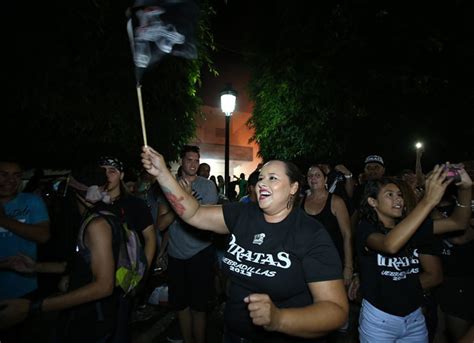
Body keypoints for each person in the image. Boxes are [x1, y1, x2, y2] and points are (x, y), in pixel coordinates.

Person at [141, 146, 348, 342]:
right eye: (260, 178)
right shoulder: (242, 214)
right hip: (232, 335)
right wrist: (162, 173)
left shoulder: (310, 233)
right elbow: (194, 213)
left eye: (272, 178)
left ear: (293, 187)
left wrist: (279, 319)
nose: (261, 184)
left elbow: (335, 310)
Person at [0, 164, 120, 342]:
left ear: (72, 190)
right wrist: (35, 267)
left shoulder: (97, 225)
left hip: (92, 316)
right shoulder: (91, 218)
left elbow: (104, 286)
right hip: (86, 312)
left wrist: (34, 307)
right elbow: (76, 265)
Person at [356, 164, 472, 342]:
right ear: (373, 202)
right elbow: (390, 244)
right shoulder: (366, 229)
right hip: (380, 320)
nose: (399, 199)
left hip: (414, 318)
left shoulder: (414, 228)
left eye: (400, 195)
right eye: (390, 194)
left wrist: (466, 188)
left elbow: (459, 223)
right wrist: (428, 200)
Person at [164, 145, 219, 343]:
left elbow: (207, 218)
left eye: (196, 160)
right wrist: (178, 201)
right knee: (181, 305)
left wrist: (185, 199)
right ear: (182, 161)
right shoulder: (170, 186)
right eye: (189, 160)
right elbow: (161, 223)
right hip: (176, 254)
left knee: (199, 306)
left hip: (200, 251)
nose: (193, 164)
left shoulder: (208, 186)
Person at [98, 156, 156, 342]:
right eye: (103, 171)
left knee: (119, 332)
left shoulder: (134, 204)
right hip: (93, 281)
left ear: (121, 175)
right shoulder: (93, 203)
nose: (107, 175)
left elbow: (150, 239)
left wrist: (140, 275)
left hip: (122, 283)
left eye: (112, 171)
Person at [0, 160, 50, 301]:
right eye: (4, 174)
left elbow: (43, 236)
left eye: (16, 175)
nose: (11, 180)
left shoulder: (31, 201)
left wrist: (3, 220)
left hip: (24, 288)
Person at [302, 165, 354, 287]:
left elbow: (347, 235)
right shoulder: (301, 201)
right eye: (310, 176)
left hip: (332, 261)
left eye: (317, 175)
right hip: (307, 262)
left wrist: (348, 267)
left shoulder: (336, 202)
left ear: (325, 180)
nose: (313, 178)